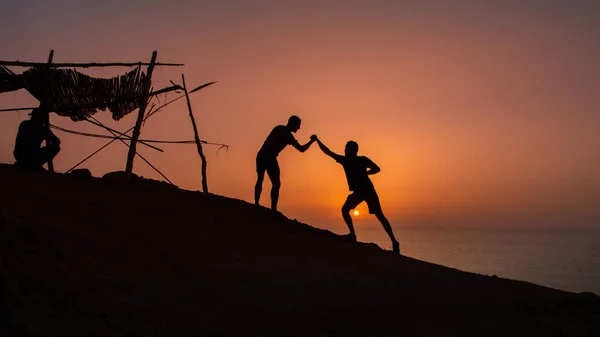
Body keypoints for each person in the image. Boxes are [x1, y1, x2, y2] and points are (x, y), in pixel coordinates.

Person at [312, 135, 400, 253]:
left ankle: (394, 242)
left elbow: (377, 168)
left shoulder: (360, 160)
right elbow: (327, 152)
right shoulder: (346, 160)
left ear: (353, 150)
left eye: (347, 148)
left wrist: (366, 174)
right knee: (345, 210)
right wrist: (317, 141)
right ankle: (353, 235)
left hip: (368, 190)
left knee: (379, 215)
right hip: (360, 191)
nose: (344, 149)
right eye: (345, 147)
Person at [255, 115, 315, 212]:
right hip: (269, 157)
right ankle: (273, 210)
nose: (299, 128)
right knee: (276, 184)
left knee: (260, 179)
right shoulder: (288, 135)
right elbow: (301, 149)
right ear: (293, 123)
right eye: (298, 125)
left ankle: (257, 203)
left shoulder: (278, 128)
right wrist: (312, 141)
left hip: (261, 155)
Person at [13, 107, 61, 172]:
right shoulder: (39, 128)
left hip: (22, 155)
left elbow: (57, 141)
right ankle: (33, 165)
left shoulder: (25, 124)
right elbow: (57, 141)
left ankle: (33, 164)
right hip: (26, 155)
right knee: (56, 148)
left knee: (55, 147)